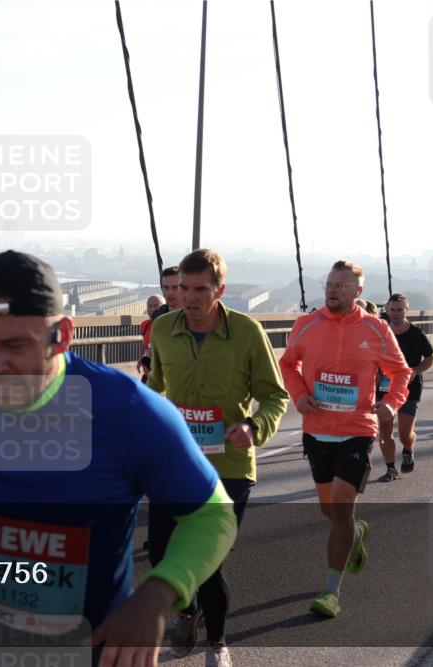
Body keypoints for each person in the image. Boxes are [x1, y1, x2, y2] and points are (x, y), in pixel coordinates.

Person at [0, 250, 237, 667]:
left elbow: (212, 515)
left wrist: (157, 595)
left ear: (62, 335)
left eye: (14, 345)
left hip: (98, 647)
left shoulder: (130, 412)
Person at [147, 249, 288, 667]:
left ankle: (217, 644)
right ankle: (188, 612)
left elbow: (275, 396)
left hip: (229, 466)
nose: (188, 298)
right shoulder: (163, 330)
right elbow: (155, 386)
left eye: (199, 290)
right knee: (159, 554)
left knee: (207, 561)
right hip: (175, 463)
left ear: (219, 290)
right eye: (182, 289)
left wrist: (253, 427)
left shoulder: (247, 332)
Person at [279, 260, 412, 618]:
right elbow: (288, 364)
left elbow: (401, 372)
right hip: (316, 431)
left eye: (342, 285)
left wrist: (391, 403)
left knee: (340, 507)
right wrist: (299, 395)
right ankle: (354, 533)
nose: (333, 289)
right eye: (330, 284)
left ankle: (331, 591)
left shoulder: (376, 328)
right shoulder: (307, 325)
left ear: (358, 292)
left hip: (357, 430)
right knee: (329, 510)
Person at [376, 293, 433, 481]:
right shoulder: (382, 333)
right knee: (384, 431)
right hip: (384, 389)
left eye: (399, 310)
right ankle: (391, 469)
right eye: (392, 310)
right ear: (386, 309)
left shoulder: (416, 334)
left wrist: (414, 371)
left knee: (404, 434)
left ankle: (408, 449)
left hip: (410, 389)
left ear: (406, 310)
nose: (395, 313)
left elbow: (431, 357)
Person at [138, 294, 164, 382]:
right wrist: (140, 359)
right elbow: (145, 344)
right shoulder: (145, 325)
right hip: (149, 371)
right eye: (150, 306)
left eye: (156, 305)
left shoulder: (169, 325)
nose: (153, 309)